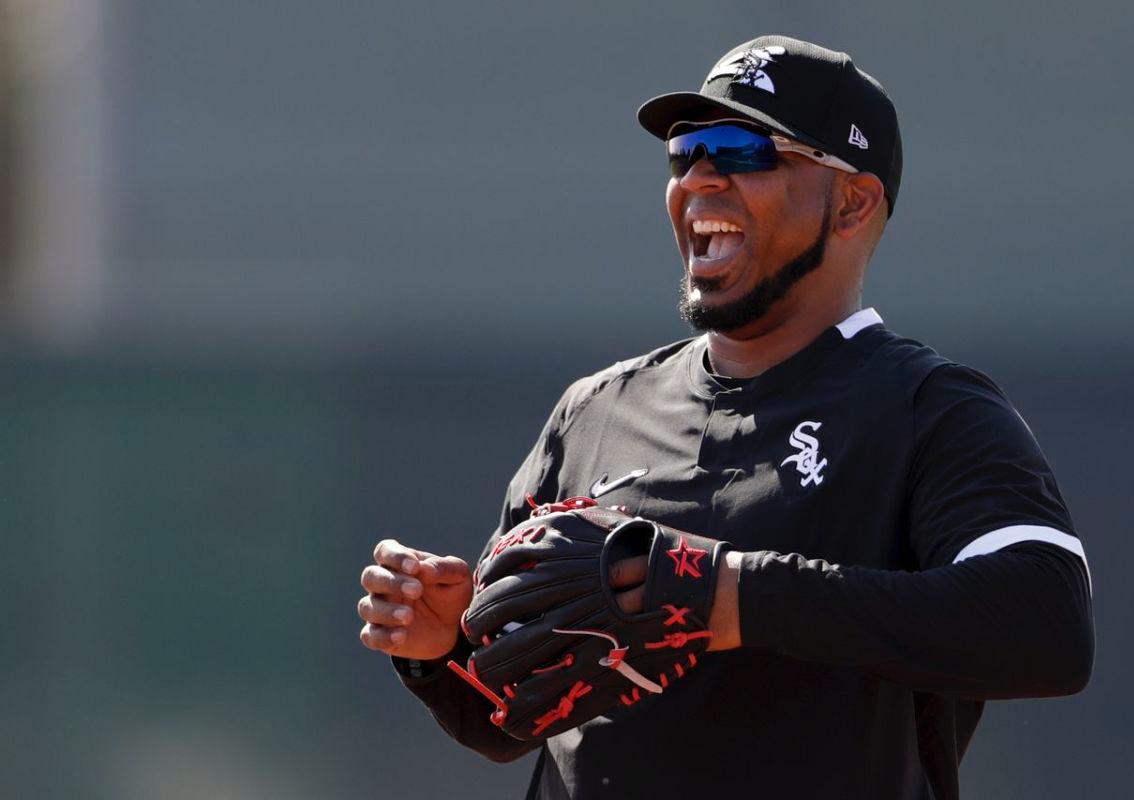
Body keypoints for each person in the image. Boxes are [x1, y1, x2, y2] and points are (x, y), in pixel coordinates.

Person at [356, 36, 1094, 799]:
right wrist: (442, 647)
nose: (699, 178)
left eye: (745, 151)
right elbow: (507, 717)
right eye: (685, 153)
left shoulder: (928, 408)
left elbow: (1049, 628)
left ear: (852, 202)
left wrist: (724, 593)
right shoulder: (596, 411)